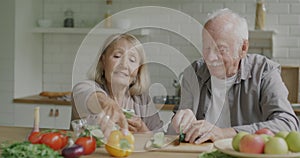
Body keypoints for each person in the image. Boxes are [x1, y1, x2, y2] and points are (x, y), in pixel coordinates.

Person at [169, 8, 299, 144]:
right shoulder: (194, 73)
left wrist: (223, 133)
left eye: (221, 49)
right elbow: (173, 136)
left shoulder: (264, 71)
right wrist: (178, 123)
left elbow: (287, 125)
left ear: (243, 48)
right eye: (207, 48)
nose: (210, 58)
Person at [72, 33, 163, 137]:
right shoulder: (89, 88)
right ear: (103, 61)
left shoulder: (143, 100)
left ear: (138, 71)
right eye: (117, 56)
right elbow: (81, 91)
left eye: (132, 60)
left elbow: (161, 139)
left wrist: (143, 130)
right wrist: (107, 104)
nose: (124, 65)